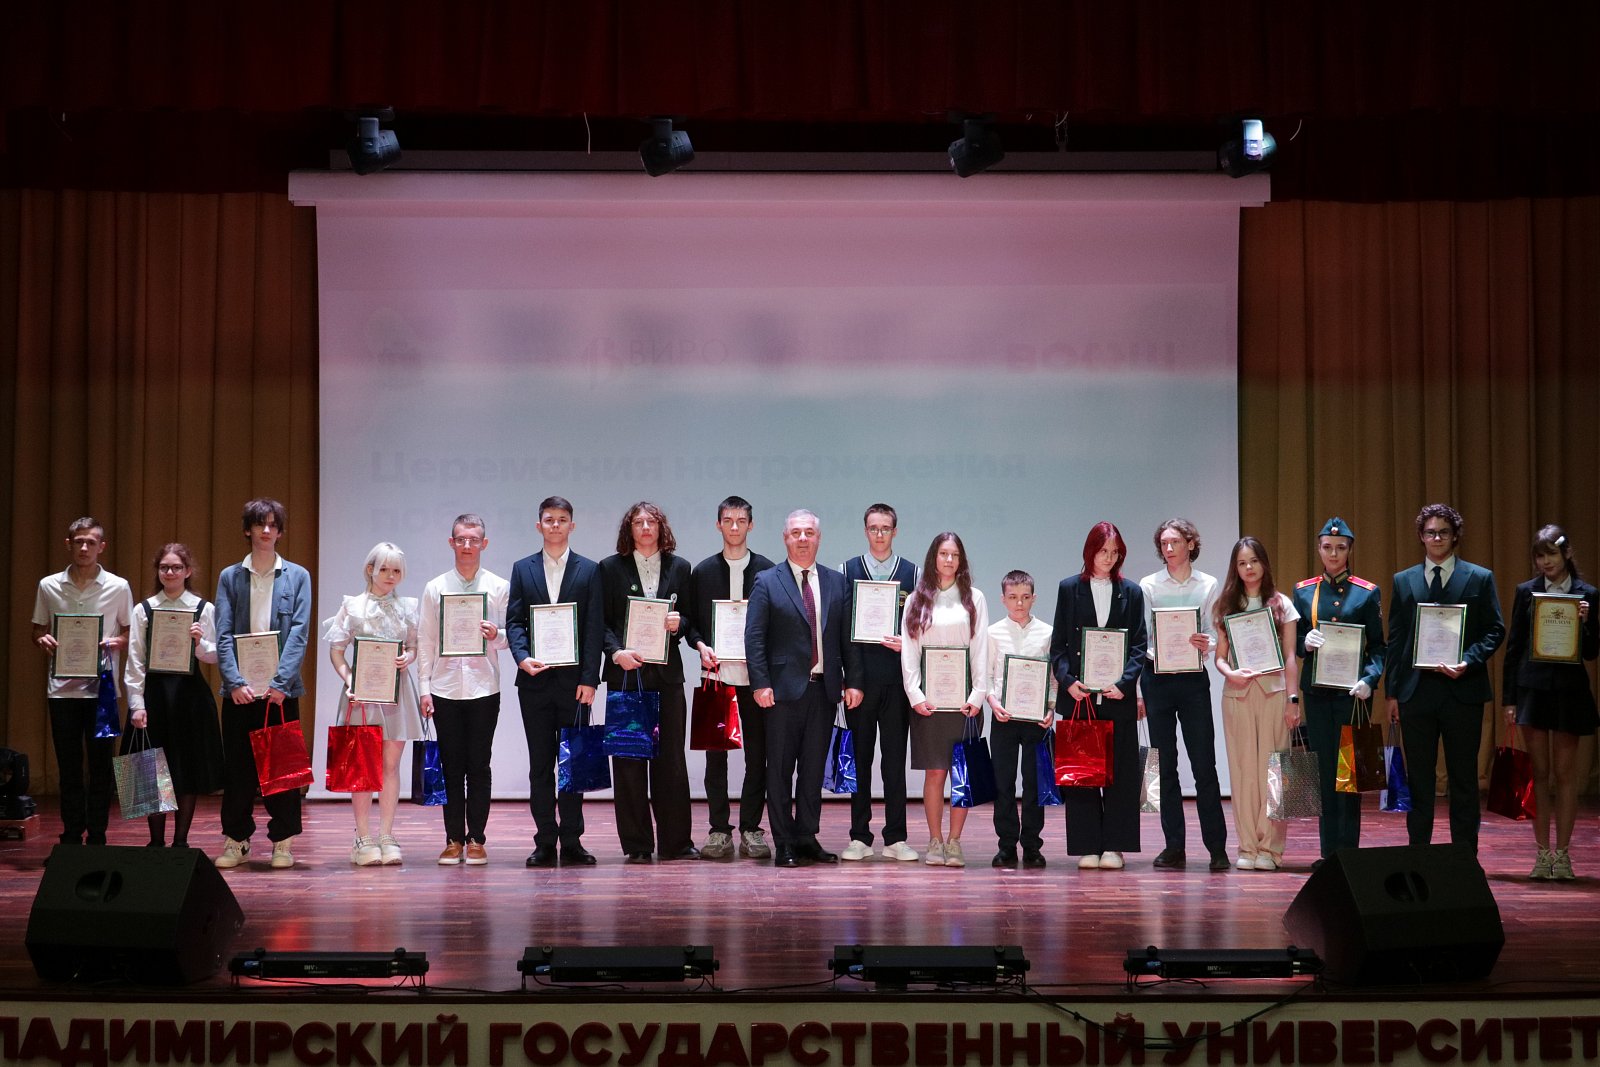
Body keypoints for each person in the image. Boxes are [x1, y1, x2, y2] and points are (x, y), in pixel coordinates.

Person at [745, 509, 864, 869]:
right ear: (785, 538)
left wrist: (854, 680)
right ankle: (784, 841)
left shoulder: (836, 582)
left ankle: (807, 836)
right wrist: (761, 683)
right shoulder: (767, 581)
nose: (802, 538)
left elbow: (847, 639)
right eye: (795, 532)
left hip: (824, 691)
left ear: (818, 538)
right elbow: (755, 638)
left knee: (813, 771)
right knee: (780, 771)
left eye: (809, 532)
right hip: (781, 694)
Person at [1385, 503, 1505, 855]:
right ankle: (1418, 855)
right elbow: (1396, 639)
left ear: (1455, 536)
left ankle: (1464, 858)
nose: (1437, 538)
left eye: (1444, 532)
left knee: (1464, 780)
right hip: (1415, 693)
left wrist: (1468, 660)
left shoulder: (1479, 577)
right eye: (1430, 532)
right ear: (1421, 537)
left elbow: (1495, 630)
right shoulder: (1403, 580)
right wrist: (1391, 693)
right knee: (1419, 781)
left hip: (1463, 691)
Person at [214, 498, 313, 870]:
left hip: (279, 691)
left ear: (280, 532)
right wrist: (234, 681)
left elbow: (299, 633)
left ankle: (282, 842)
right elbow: (223, 633)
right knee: (238, 770)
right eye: (260, 524)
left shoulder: (297, 576)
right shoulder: (230, 577)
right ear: (248, 530)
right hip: (239, 691)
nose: (266, 530)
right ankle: (237, 840)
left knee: (282, 770)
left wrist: (281, 682)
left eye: (273, 525)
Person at [507, 496, 605, 868]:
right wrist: (521, 657)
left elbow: (594, 628)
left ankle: (573, 841)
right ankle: (545, 841)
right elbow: (514, 621)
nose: (555, 526)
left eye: (562, 520)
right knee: (540, 766)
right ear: (539, 525)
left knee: (573, 766)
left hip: (575, 685)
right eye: (549, 520)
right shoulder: (523, 569)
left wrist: (590, 679)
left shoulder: (589, 570)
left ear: (571, 526)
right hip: (534, 683)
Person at [599, 501, 696, 863]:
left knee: (671, 762)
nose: (644, 527)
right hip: (626, 674)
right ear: (629, 529)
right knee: (628, 762)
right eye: (638, 522)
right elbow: (601, 622)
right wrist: (616, 652)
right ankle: (637, 845)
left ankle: (676, 843)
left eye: (651, 522)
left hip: (667, 676)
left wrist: (680, 623)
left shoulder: (680, 567)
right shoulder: (610, 568)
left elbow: (691, 620)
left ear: (660, 527)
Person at [1501, 524, 1598, 880]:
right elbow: (1514, 648)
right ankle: (1542, 854)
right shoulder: (1526, 592)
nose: (1545, 562)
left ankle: (1564, 854)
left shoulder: (1588, 594)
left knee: (1565, 775)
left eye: (1551, 554)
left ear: (1566, 554)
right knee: (1538, 774)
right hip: (1532, 690)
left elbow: (1592, 652)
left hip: (1570, 692)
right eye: (1540, 556)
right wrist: (1509, 699)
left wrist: (1586, 623)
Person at [31, 517, 135, 847]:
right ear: (69, 544)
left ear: (102, 546)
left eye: (91, 542)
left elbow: (130, 632)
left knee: (102, 767)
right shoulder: (49, 585)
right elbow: (38, 629)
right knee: (69, 768)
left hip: (102, 691)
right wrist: (42, 639)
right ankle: (72, 838)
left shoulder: (118, 586)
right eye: (79, 542)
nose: (85, 548)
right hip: (62, 691)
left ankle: (99, 838)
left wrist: (116, 642)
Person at [1049, 523, 1147, 870]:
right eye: (1103, 551)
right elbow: (1058, 646)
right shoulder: (1069, 589)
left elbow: (1139, 644)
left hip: (1117, 696)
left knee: (1120, 772)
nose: (1109, 558)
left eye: (1115, 552)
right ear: (1090, 551)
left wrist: (1125, 683)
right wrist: (1068, 681)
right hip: (1080, 697)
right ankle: (1087, 845)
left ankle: (1115, 846)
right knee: (1082, 772)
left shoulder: (1131, 592)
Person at [684, 496, 775, 860]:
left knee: (758, 757)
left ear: (751, 525)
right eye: (728, 520)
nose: (734, 527)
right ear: (718, 524)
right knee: (715, 759)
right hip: (716, 677)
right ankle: (719, 830)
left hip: (756, 680)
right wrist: (700, 645)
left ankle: (751, 828)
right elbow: (691, 624)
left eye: (741, 520)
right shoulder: (703, 572)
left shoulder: (768, 571)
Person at [417, 513, 509, 866]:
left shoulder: (499, 587)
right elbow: (426, 640)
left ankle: (477, 839)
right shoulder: (435, 587)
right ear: (451, 542)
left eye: (473, 540)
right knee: (451, 766)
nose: (467, 545)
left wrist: (496, 635)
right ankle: (453, 838)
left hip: (484, 687)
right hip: (444, 687)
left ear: (484, 544)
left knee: (479, 765)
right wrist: (424, 688)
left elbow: (512, 636)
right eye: (461, 539)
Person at [1138, 518, 1229, 872]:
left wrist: (1207, 643)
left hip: (1193, 680)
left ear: (1191, 544)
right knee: (1165, 766)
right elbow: (1142, 638)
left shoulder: (1208, 584)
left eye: (1175, 541)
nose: (1169, 548)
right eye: (1163, 543)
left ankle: (1217, 848)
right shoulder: (1149, 585)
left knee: (1204, 764)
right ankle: (1174, 846)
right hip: (1156, 678)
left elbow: (1213, 630)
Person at [1293, 517, 1384, 867]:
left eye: (1340, 548)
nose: (1333, 554)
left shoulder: (1366, 592)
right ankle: (1328, 852)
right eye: (1327, 547)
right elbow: (1294, 642)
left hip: (1352, 695)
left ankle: (1348, 851)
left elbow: (1378, 647)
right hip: (1317, 694)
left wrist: (1370, 679)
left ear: (1349, 551)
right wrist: (1305, 642)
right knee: (1323, 770)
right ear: (1319, 549)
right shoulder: (1304, 591)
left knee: (1350, 772)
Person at [324, 542, 423, 866]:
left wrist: (408, 658)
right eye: (384, 569)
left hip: (396, 693)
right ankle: (363, 837)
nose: (391, 576)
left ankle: (387, 835)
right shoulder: (353, 606)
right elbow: (337, 650)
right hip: (362, 695)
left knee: (391, 766)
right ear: (370, 570)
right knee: (362, 767)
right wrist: (349, 679)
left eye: (396, 570)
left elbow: (413, 646)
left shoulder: (407, 607)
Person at [123, 543, 224, 848]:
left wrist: (199, 643)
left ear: (188, 571)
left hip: (190, 698)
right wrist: (136, 704)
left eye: (176, 567)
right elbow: (135, 659)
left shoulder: (204, 608)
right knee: (150, 771)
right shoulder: (144, 609)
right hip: (153, 696)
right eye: (164, 567)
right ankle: (155, 842)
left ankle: (181, 842)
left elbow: (215, 656)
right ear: (158, 571)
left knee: (186, 770)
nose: (170, 572)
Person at [900, 532, 990, 869]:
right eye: (943, 554)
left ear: (961, 559)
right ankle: (935, 840)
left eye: (954, 554)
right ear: (933, 558)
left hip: (964, 703)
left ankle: (955, 842)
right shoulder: (917, 599)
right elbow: (910, 651)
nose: (949, 560)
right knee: (935, 773)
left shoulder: (975, 598)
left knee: (962, 775)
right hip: (930, 703)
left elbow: (980, 648)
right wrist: (915, 694)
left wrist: (978, 694)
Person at [1212, 537, 1301, 871]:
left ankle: (1271, 850)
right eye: (1241, 563)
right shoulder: (1226, 605)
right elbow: (1220, 658)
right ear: (1235, 568)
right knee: (1243, 773)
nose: (1248, 568)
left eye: (1253, 561)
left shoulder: (1282, 604)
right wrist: (1229, 673)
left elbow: (1291, 657)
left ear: (1264, 563)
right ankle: (1248, 847)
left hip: (1275, 695)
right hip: (1238, 696)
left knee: (1275, 772)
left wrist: (1293, 699)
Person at [838, 503, 920, 862]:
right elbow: (841, 631)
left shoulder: (913, 573)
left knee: (894, 762)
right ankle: (859, 836)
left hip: (897, 683)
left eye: (886, 528)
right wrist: (849, 680)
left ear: (895, 531)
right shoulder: (847, 571)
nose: (880, 534)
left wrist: (909, 644)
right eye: (874, 528)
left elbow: (921, 627)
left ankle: (895, 838)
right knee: (860, 760)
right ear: (865, 531)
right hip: (859, 683)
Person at [985, 570, 1055, 869]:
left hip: (1036, 719)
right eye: (1013, 597)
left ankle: (1032, 845)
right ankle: (1006, 845)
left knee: (1034, 783)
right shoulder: (992, 633)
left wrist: (1050, 708)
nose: (1019, 603)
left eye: (1025, 597)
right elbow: (986, 675)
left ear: (1034, 598)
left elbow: (1053, 678)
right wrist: (992, 702)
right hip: (1004, 716)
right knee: (1003, 783)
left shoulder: (1047, 633)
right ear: (1003, 599)